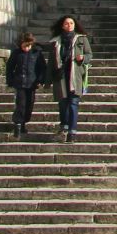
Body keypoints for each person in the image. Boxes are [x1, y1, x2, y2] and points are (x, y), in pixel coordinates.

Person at [48, 14, 91, 142]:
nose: (69, 25)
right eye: (67, 23)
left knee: (73, 103)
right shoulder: (56, 41)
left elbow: (89, 54)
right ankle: (64, 126)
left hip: (75, 75)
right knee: (62, 103)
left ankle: (72, 132)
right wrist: (46, 80)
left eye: (71, 23)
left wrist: (83, 58)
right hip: (60, 76)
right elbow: (51, 61)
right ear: (62, 25)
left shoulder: (81, 39)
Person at [5, 31, 47, 139]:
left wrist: (40, 80)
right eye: (24, 46)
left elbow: (42, 68)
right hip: (20, 83)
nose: (26, 48)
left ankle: (24, 122)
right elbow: (10, 67)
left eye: (28, 46)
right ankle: (18, 126)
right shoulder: (16, 53)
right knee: (21, 104)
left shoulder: (37, 52)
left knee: (29, 105)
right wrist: (10, 80)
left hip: (32, 83)